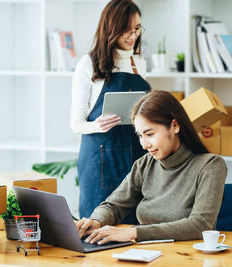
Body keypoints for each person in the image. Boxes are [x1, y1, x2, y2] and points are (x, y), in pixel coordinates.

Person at [75, 90, 227, 244]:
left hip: (189, 255)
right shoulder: (145, 164)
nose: (144, 144)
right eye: (140, 135)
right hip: (146, 253)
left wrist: (134, 232)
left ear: (175, 126)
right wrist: (96, 221)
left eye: (150, 134)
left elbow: (200, 225)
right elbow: (114, 206)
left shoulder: (210, 165)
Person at [71, 0, 150, 224]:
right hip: (99, 161)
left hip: (135, 158)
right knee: (95, 229)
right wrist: (98, 124)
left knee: (134, 229)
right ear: (111, 28)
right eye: (126, 30)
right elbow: (76, 123)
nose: (132, 35)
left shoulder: (139, 63)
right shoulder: (88, 64)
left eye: (137, 29)